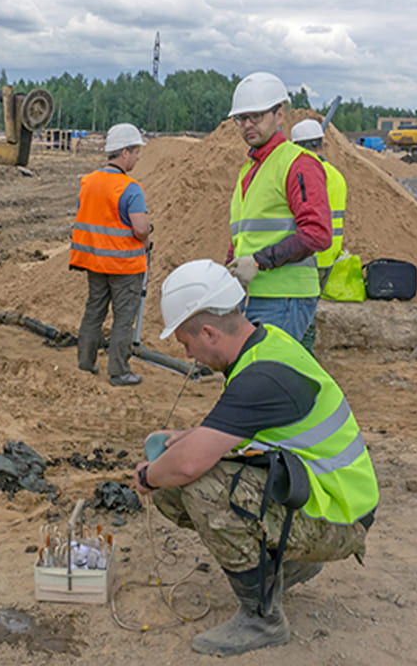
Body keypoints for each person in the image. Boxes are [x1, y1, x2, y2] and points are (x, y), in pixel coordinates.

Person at [134, 259, 378, 657]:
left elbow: (188, 467)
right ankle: (287, 560)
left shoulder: (259, 377)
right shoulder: (265, 344)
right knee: (180, 479)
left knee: (200, 487)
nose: (189, 355)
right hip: (329, 496)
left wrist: (148, 476)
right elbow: (242, 432)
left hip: (339, 515)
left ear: (209, 332)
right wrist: (186, 438)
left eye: (186, 343)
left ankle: (261, 619)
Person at [225, 72, 332, 341]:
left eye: (257, 116)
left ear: (280, 115)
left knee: (268, 375)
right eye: (242, 118)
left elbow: (317, 234)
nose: (248, 124)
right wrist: (230, 268)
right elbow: (244, 234)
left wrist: (259, 262)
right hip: (254, 295)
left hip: (285, 297)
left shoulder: (298, 163)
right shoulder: (250, 170)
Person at [70, 123, 153, 386]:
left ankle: (85, 363)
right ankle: (118, 371)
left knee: (93, 311)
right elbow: (140, 229)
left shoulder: (88, 182)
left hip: (95, 262)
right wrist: (148, 234)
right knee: (123, 318)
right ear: (124, 152)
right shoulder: (130, 188)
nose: (138, 158)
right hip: (125, 266)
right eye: (136, 152)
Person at [290, 117, 347, 352]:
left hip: (305, 256)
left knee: (299, 312)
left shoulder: (302, 175)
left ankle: (301, 358)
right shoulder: (337, 177)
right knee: (310, 307)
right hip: (328, 256)